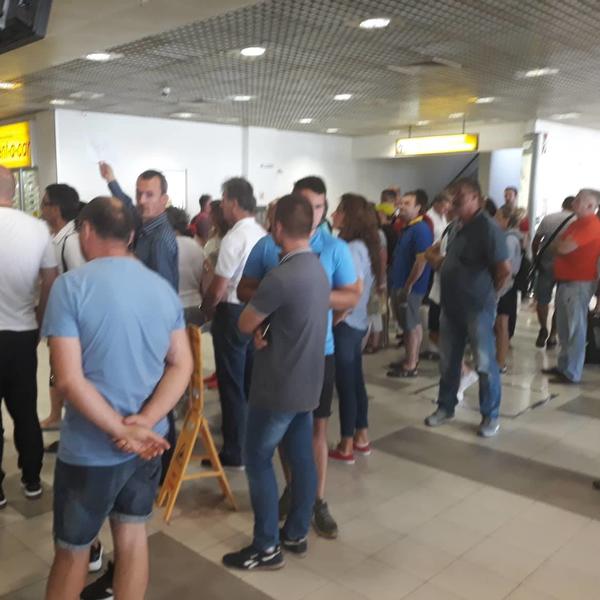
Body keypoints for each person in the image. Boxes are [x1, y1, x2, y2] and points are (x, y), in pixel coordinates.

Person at [42, 196, 192, 600]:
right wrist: (144, 423)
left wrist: (120, 430)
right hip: (148, 444)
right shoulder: (161, 289)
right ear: (130, 236)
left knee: (73, 552)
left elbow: (68, 380)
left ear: (87, 231)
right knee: (132, 537)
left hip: (90, 450)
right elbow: (182, 364)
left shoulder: (70, 287)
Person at [238, 175, 359, 540]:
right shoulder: (291, 258)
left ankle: (283, 529)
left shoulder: (328, 252)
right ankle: (295, 520)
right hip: (289, 355)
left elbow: (350, 296)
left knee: (273, 450)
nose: (314, 212)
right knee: (295, 445)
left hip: (307, 360)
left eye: (318, 206)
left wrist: (291, 296)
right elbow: (246, 290)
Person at [222, 194, 329, 570]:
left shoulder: (281, 276)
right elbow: (291, 320)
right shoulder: (317, 269)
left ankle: (266, 545)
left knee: (257, 458)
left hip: (278, 385)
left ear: (278, 227)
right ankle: (296, 532)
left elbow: (244, 322)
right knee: (301, 458)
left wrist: (259, 327)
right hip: (308, 381)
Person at [425, 178, 511, 438]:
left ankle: (490, 416)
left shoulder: (488, 228)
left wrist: (488, 296)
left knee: (484, 363)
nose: (453, 202)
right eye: (452, 197)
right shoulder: (455, 226)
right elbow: (451, 260)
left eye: (459, 197)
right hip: (451, 306)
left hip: (477, 309)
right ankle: (446, 407)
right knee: (448, 361)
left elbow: (503, 270)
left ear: (476, 198)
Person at [0, 166, 58, 507]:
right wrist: (39, 319)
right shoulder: (37, 228)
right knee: (24, 409)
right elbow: (50, 278)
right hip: (23, 333)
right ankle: (32, 479)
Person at [201, 178, 266, 468]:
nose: (223, 206)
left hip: (232, 313)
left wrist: (206, 310)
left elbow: (218, 287)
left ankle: (234, 450)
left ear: (234, 202)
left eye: (225, 200)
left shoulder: (234, 238)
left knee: (231, 384)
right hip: (256, 311)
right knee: (251, 382)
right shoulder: (262, 234)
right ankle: (252, 444)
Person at [328, 194, 380, 463]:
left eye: (338, 210)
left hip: (347, 323)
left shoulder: (351, 249)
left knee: (346, 384)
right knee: (355, 381)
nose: (333, 215)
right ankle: (361, 435)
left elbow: (354, 290)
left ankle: (346, 444)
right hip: (357, 322)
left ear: (350, 217)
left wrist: (337, 316)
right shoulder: (363, 246)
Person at [39, 183, 86, 431]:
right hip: (59, 318)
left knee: (66, 368)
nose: (41, 208)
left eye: (44, 203)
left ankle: (69, 418)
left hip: (73, 323)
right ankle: (56, 415)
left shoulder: (72, 241)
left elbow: (82, 284)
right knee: (55, 366)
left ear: (56, 209)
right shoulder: (56, 239)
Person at [542, 189, 600, 384]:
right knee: (564, 327)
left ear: (591, 206)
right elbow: (557, 245)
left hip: (579, 283)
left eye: (579, 199)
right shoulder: (576, 223)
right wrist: (561, 246)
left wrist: (561, 246)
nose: (575, 201)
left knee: (575, 328)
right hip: (566, 281)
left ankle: (572, 372)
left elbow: (562, 247)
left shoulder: (591, 225)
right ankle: (564, 366)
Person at [98, 161, 178, 291]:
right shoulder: (146, 224)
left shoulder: (159, 239)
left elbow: (163, 291)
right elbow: (127, 205)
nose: (141, 200)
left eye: (149, 195)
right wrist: (110, 179)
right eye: (139, 194)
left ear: (164, 200)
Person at [387, 190, 433, 377]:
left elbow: (421, 261)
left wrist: (408, 285)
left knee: (410, 324)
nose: (401, 206)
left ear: (418, 207)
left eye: (407, 203)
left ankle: (411, 364)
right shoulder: (408, 228)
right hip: (400, 284)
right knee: (408, 323)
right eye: (401, 203)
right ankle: (410, 358)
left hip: (410, 287)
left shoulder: (420, 229)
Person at [531, 196, 576, 348]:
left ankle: (543, 328)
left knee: (542, 300)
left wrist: (536, 258)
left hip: (545, 265)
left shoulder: (548, 219)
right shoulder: (577, 221)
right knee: (560, 303)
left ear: (563, 205)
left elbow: (536, 241)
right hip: (567, 268)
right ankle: (553, 335)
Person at [494, 205, 524, 373]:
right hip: (506, 285)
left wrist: (498, 290)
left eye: (497, 217)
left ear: (506, 220)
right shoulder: (511, 237)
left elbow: (506, 268)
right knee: (500, 324)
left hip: (505, 286)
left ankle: (500, 362)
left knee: (501, 325)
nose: (494, 221)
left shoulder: (509, 240)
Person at [166, 206, 205, 326]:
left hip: (170, 307)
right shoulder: (196, 246)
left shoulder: (163, 246)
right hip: (195, 305)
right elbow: (204, 281)